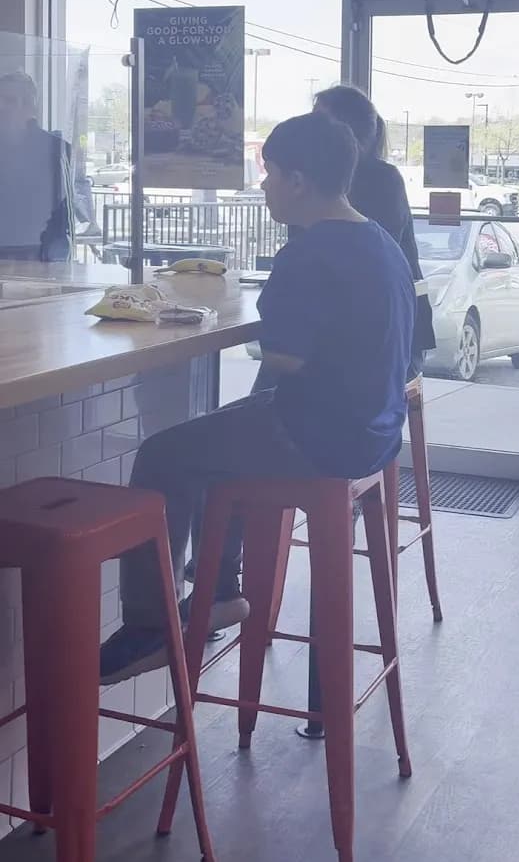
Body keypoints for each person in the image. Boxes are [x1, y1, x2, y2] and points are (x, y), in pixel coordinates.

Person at [100, 110, 416, 685]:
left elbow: (285, 359)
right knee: (222, 437)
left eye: (269, 174)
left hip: (319, 437)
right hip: (372, 433)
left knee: (164, 455)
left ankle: (150, 625)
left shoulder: (309, 252)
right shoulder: (378, 240)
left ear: (298, 181)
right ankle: (219, 588)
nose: (263, 186)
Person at [313, 84, 436, 370]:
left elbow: (366, 266)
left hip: (394, 332)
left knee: (286, 372)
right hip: (353, 328)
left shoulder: (382, 180)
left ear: (346, 132)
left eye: (317, 121)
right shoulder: (320, 182)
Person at [0, 71, 74, 262]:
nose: (7, 107)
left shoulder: (55, 149)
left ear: (30, 106)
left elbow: (61, 211)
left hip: (38, 254)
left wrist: (53, 259)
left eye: (17, 100)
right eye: (5, 100)